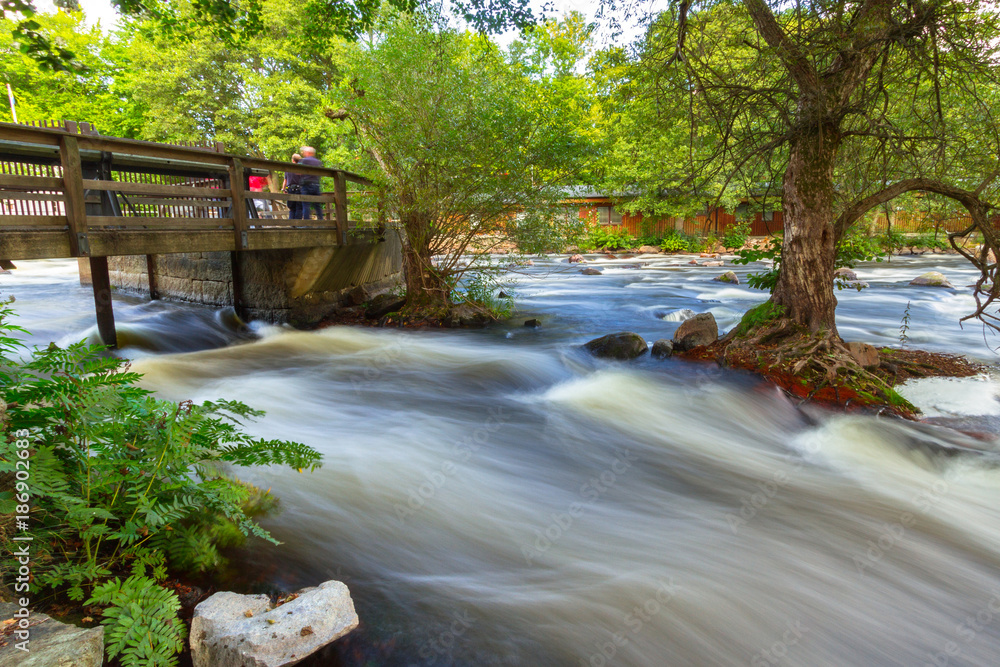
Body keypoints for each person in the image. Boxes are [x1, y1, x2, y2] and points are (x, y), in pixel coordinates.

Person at [297, 146, 325, 220]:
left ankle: (307, 224)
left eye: (305, 152)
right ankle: (321, 222)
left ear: (308, 153)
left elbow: (297, 171)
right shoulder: (318, 162)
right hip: (316, 185)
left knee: (306, 204)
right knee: (317, 205)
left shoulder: (303, 161)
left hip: (307, 185)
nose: (304, 154)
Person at [283, 154, 302, 219]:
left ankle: (292, 225)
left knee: (292, 208)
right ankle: (298, 225)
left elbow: (285, 180)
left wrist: (283, 189)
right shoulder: (301, 169)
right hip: (299, 189)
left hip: (290, 189)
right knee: (299, 208)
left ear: (292, 160)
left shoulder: (288, 168)